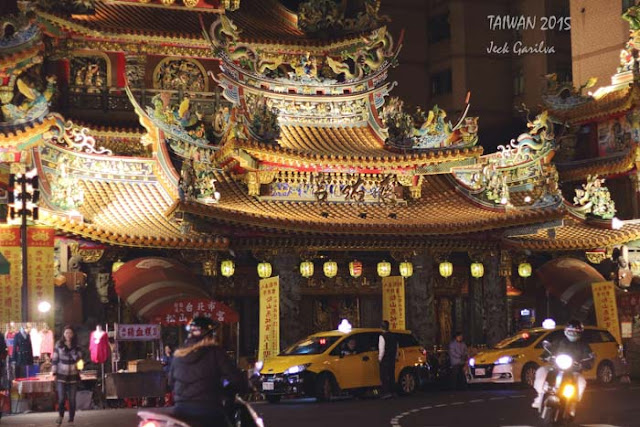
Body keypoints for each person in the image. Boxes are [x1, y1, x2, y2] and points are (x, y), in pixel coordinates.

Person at [169, 317, 247, 427]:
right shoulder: (215, 352)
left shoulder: (178, 355)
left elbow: (171, 382)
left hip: (181, 410)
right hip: (208, 410)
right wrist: (239, 386)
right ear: (210, 334)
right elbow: (235, 378)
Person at [531, 320, 594, 411]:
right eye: (570, 331)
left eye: (575, 332)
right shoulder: (559, 342)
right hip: (556, 367)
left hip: (573, 371)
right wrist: (545, 356)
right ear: (565, 331)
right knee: (541, 371)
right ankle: (540, 396)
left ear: (580, 333)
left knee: (581, 382)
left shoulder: (583, 345)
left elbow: (589, 357)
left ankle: (572, 403)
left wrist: (585, 363)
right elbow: (549, 350)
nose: (572, 334)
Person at [52, 325, 83, 425]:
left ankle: (71, 419)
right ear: (63, 334)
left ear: (73, 335)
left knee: (72, 399)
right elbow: (55, 359)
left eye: (70, 333)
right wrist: (54, 372)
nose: (68, 335)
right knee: (61, 398)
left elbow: (79, 360)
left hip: (73, 376)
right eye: (66, 333)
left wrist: (71, 350)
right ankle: (60, 416)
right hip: (61, 376)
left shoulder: (77, 347)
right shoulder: (59, 345)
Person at [378, 320, 398, 399]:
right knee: (391, 375)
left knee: (384, 376)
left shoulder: (382, 336)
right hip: (392, 358)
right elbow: (397, 347)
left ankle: (386, 392)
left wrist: (380, 358)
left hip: (385, 359)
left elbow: (382, 349)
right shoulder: (394, 336)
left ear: (381, 327)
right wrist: (396, 357)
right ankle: (393, 391)